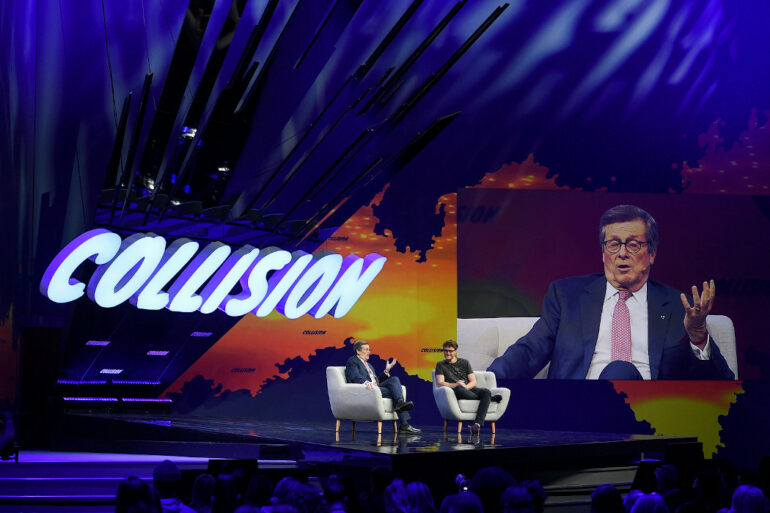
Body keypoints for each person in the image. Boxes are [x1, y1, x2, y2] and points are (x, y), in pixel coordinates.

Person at [488, 204, 735, 380]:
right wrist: (485, 379)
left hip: (650, 414)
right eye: (613, 244)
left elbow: (720, 383)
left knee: (620, 371)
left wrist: (698, 335)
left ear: (652, 253)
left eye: (634, 244)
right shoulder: (567, 296)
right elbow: (531, 351)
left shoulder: (677, 306)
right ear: (603, 252)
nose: (622, 253)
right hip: (575, 412)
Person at [345, 340, 421, 434]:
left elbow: (377, 381)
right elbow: (354, 375)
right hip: (367, 389)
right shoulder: (352, 361)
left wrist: (386, 371)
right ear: (358, 351)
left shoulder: (369, 365)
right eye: (367, 350)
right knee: (395, 393)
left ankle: (400, 403)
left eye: (369, 350)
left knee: (394, 379)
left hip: (376, 387)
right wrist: (365, 382)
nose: (369, 352)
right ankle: (404, 423)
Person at [435, 339, 503, 434]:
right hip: (456, 391)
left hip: (469, 389)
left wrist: (465, 388)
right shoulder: (440, 364)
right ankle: (490, 399)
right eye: (445, 350)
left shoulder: (464, 362)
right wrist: (456, 384)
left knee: (486, 391)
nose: (447, 353)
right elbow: (440, 382)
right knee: (459, 389)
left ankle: (477, 425)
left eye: (450, 351)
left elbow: (473, 381)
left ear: (455, 351)